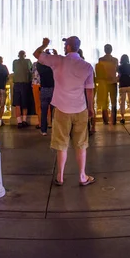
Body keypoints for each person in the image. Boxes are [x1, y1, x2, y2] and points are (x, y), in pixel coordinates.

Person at [34, 36, 95, 187]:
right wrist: (91, 108)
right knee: (81, 143)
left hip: (61, 109)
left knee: (61, 143)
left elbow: (36, 54)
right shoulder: (87, 66)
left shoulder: (58, 61)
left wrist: (44, 45)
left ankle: (60, 176)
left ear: (67, 47)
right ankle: (82, 176)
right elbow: (89, 91)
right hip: (80, 108)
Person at [95, 44, 119, 125]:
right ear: (111, 50)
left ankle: (105, 120)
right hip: (113, 82)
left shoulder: (101, 59)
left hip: (103, 83)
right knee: (114, 102)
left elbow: (99, 71)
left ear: (104, 50)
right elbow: (117, 70)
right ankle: (114, 120)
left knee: (104, 102)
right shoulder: (115, 60)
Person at [36, 50, 55, 136]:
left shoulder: (40, 66)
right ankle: (55, 128)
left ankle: (44, 130)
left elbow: (38, 60)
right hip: (53, 89)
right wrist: (55, 54)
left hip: (43, 89)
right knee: (54, 111)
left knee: (44, 110)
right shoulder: (52, 66)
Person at [12, 50, 32, 128]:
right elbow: (30, 70)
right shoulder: (28, 61)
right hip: (25, 84)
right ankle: (24, 120)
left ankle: (19, 121)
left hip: (16, 84)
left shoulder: (15, 62)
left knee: (17, 104)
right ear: (25, 55)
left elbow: (14, 70)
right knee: (24, 103)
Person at [118, 54, 130, 124]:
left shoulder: (119, 67)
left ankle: (122, 117)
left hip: (122, 84)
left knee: (122, 102)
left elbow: (119, 75)